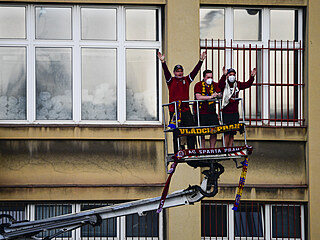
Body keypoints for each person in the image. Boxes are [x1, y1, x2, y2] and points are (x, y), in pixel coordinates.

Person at [158, 51, 207, 153]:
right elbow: (166, 73)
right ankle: (178, 151)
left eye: (181, 71)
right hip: (174, 111)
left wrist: (201, 61)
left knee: (191, 130)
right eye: (177, 71)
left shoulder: (186, 80)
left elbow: (195, 72)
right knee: (176, 131)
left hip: (185, 110)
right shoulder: (171, 81)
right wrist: (163, 62)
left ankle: (191, 150)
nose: (179, 73)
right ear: (174, 72)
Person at [218, 67, 257, 147]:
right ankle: (225, 148)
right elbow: (220, 85)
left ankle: (230, 148)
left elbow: (247, 84)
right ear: (227, 76)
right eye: (230, 74)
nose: (232, 76)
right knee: (226, 132)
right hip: (226, 112)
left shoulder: (237, 84)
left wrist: (252, 77)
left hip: (235, 112)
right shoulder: (224, 84)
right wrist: (223, 75)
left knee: (232, 132)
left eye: (233, 75)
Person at [194, 69, 221, 148]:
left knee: (214, 131)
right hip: (201, 112)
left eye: (211, 77)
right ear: (204, 77)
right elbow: (198, 97)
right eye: (208, 77)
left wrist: (218, 95)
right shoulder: (198, 85)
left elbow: (220, 94)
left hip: (211, 112)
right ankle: (202, 149)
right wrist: (210, 97)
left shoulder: (215, 85)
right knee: (201, 132)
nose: (210, 79)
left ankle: (212, 149)